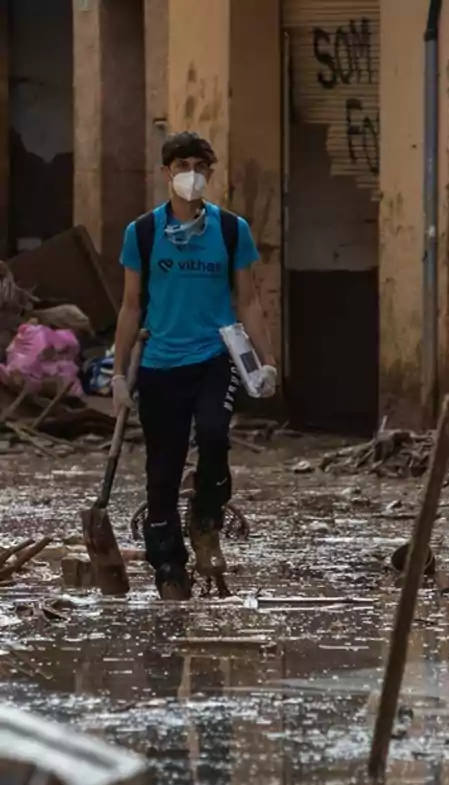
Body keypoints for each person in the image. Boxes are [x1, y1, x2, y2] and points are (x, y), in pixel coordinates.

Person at [111, 131, 278, 601]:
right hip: (161, 363)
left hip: (215, 356)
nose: (192, 175)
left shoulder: (230, 230)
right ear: (166, 172)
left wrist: (267, 361)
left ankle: (206, 519)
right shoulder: (142, 233)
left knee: (212, 433)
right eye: (183, 165)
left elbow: (247, 300)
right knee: (161, 469)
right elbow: (129, 307)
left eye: (201, 166)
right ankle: (168, 564)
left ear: (211, 172)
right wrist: (120, 374)